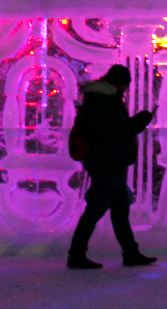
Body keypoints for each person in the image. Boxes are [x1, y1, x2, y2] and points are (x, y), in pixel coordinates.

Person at [67, 65, 158, 270]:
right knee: (96, 210)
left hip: (108, 162)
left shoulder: (100, 99)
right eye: (124, 85)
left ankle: (130, 252)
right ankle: (76, 255)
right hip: (107, 163)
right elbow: (118, 131)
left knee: (118, 210)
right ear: (118, 83)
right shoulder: (105, 102)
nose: (125, 90)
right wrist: (143, 118)